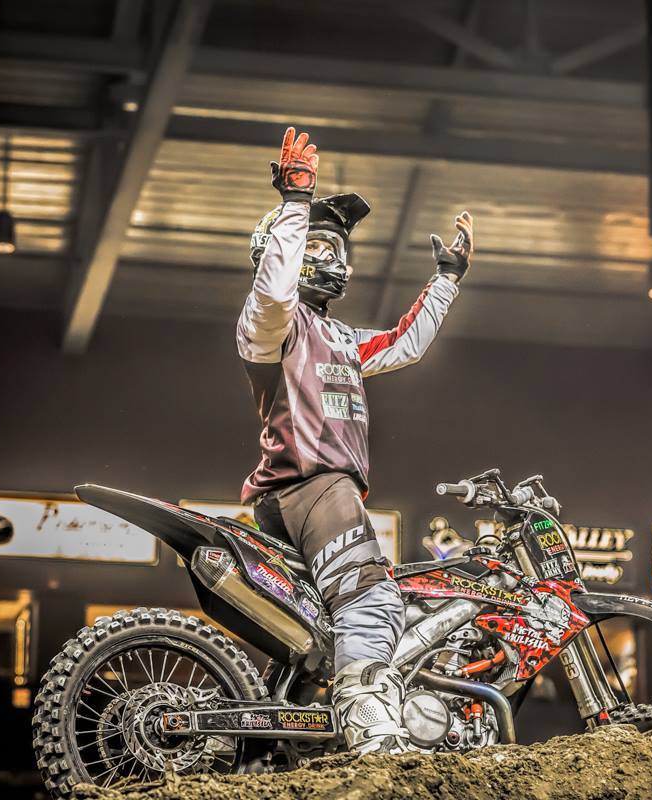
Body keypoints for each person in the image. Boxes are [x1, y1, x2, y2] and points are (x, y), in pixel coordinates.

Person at [237, 127, 474, 753]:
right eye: (317, 245)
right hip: (311, 487)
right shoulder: (272, 325)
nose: (332, 256)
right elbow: (273, 292)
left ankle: (276, 744)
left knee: (323, 626)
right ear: (279, 250)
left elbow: (405, 343)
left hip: (309, 494)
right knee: (371, 597)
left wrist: (446, 279)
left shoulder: (338, 337)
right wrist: (296, 202)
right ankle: (373, 732)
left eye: (337, 246)